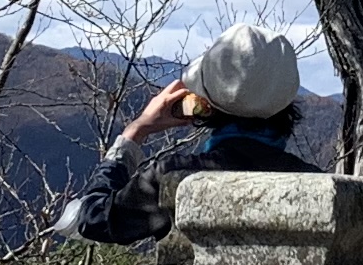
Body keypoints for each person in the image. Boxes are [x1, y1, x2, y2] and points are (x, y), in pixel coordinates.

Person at [48, 23, 318, 249]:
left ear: (205, 105)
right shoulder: (315, 183)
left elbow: (91, 219)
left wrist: (135, 132)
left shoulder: (173, 177)